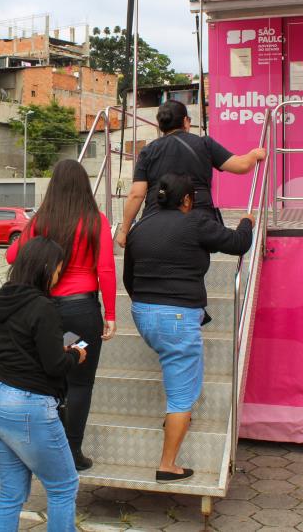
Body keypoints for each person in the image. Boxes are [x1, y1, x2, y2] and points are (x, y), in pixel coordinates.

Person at [123, 174, 253, 482]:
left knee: (175, 372)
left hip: (142, 313)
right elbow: (238, 243)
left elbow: (128, 278)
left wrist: (149, 305)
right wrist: (247, 221)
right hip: (177, 318)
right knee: (182, 396)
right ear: (186, 200)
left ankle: (174, 421)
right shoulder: (195, 222)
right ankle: (168, 465)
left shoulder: (140, 228)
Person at [5, 158, 116, 471]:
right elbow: (105, 269)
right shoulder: (97, 220)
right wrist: (110, 313)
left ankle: (43, 449)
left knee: (48, 380)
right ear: (84, 186)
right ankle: (73, 453)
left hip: (44, 312)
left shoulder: (42, 220)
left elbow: (13, 255)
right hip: (82, 313)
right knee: (80, 384)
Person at [0, 236, 86, 532]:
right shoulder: (43, 307)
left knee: (11, 495)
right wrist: (75, 355)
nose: (57, 277)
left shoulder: (1, 297)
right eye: (57, 270)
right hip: (28, 406)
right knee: (64, 486)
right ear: (45, 268)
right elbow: (55, 366)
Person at [115, 100, 265, 248]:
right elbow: (242, 165)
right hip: (198, 221)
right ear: (185, 121)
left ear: (161, 125)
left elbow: (136, 194)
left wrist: (124, 231)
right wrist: (254, 154)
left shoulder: (148, 151)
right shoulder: (204, 144)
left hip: (156, 220)